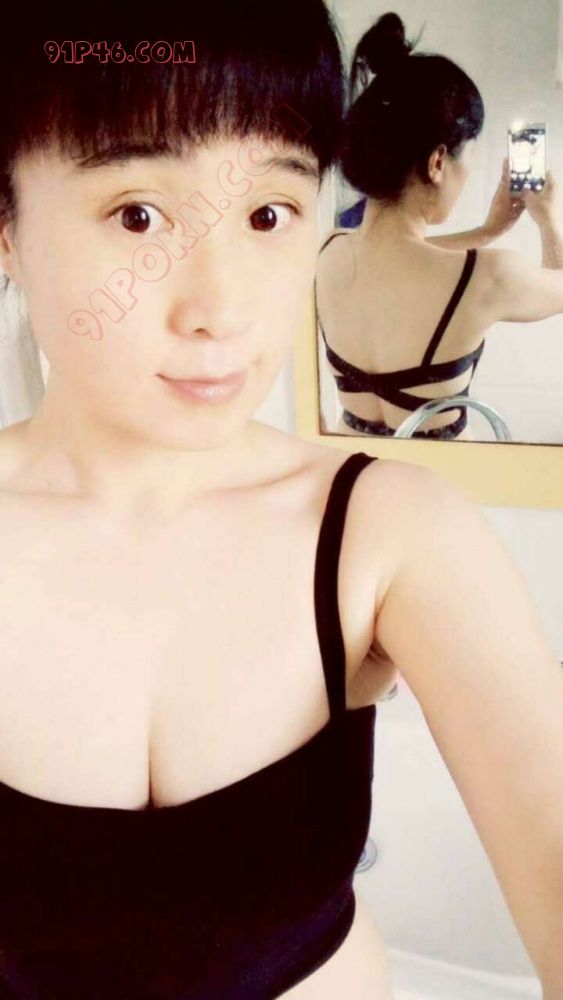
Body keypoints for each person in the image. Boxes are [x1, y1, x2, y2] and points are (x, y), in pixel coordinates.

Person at [0, 2, 562, 998]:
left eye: (268, 214)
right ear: (7, 225)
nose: (220, 309)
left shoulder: (392, 535)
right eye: (138, 214)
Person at [316, 11, 562, 441]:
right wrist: (547, 218)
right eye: (467, 158)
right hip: (436, 476)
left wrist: (486, 231)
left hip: (354, 467)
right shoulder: (490, 275)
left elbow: (402, 257)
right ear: (437, 162)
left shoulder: (328, 251)